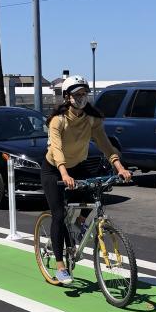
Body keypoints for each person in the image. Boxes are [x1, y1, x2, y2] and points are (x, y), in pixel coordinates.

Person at [42, 76, 132, 285]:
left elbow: (105, 144)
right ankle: (61, 267)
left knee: (94, 194)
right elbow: (56, 149)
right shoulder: (58, 120)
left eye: (84, 94)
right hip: (54, 169)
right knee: (58, 215)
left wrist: (120, 168)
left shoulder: (91, 119)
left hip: (77, 167)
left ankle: (79, 224)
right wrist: (64, 174)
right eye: (77, 95)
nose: (82, 98)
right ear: (67, 97)